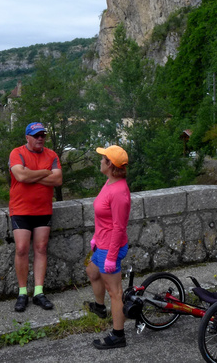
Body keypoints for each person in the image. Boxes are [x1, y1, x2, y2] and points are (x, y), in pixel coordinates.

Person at [9, 122, 62, 312]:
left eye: (43, 135)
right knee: (22, 249)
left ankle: (39, 292)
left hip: (43, 210)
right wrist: (44, 173)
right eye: (36, 135)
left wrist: (31, 175)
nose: (40, 138)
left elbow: (57, 179)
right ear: (27, 137)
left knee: (41, 248)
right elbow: (21, 177)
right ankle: (23, 292)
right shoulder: (17, 153)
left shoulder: (52, 155)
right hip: (21, 209)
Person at [84, 145, 131, 350]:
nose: (100, 160)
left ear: (110, 164)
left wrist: (111, 257)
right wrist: (95, 237)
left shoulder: (120, 192)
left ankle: (118, 335)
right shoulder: (109, 183)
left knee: (115, 292)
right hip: (101, 244)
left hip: (110, 248)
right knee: (92, 271)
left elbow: (119, 227)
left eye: (103, 158)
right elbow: (103, 219)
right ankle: (100, 307)